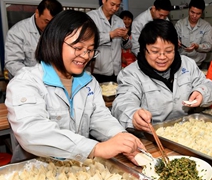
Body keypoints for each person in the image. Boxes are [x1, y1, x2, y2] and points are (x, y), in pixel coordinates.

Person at [5, 10, 145, 164]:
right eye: (78, 48)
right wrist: (95, 149)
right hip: (35, 169)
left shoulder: (89, 82)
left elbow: (99, 117)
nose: (85, 55)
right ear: (54, 41)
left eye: (90, 50)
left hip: (78, 166)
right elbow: (32, 132)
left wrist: (119, 137)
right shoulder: (26, 82)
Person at [111, 19, 212, 132]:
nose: (162, 57)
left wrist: (202, 92)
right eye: (155, 51)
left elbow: (210, 86)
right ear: (143, 49)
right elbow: (122, 103)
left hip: (188, 131)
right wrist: (133, 115)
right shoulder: (131, 73)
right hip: (151, 136)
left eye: (168, 51)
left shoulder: (187, 64)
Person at [5, 0, 63, 79]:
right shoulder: (17, 32)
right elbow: (13, 63)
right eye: (47, 21)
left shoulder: (58, 31)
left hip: (52, 80)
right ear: (37, 13)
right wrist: (35, 77)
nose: (50, 26)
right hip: (25, 81)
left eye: (54, 23)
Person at [87, 0, 131, 83]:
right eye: (112, 4)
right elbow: (87, 41)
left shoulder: (119, 21)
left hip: (116, 71)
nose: (115, 8)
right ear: (104, 0)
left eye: (118, 6)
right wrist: (110, 35)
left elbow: (128, 46)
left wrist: (125, 37)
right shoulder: (91, 17)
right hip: (98, 71)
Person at [175, 0, 212, 67]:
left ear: (202, 13)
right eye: (192, 12)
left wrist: (197, 46)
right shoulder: (180, 24)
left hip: (197, 64)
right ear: (188, 10)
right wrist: (176, 43)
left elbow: (208, 46)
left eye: (198, 14)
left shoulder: (206, 27)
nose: (194, 16)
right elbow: (173, 41)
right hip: (180, 63)